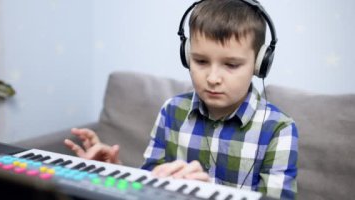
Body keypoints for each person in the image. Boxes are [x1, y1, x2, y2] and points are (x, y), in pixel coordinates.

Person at [64, 0, 298, 199]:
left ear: (259, 64)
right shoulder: (171, 111)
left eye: (231, 65)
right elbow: (149, 187)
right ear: (187, 56)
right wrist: (116, 172)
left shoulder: (279, 129)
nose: (213, 78)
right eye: (201, 61)